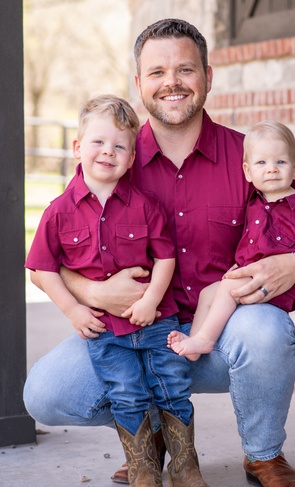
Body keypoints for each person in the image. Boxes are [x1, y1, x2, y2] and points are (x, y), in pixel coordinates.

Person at [24, 19, 295, 487]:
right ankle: (148, 433)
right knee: (47, 394)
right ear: (139, 84)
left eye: (185, 69)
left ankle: (263, 455)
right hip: (133, 334)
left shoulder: (249, 155)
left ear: (208, 77)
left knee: (269, 332)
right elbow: (50, 257)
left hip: (221, 331)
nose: (171, 82)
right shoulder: (115, 159)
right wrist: (91, 290)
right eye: (156, 72)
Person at [25, 94, 209, 487]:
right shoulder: (58, 211)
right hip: (106, 331)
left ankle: (185, 466)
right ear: (78, 147)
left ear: (130, 159)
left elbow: (165, 258)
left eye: (119, 146)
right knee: (126, 393)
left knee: (172, 386)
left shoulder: (146, 204)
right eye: (98, 142)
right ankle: (144, 469)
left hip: (158, 321)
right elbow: (40, 267)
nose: (108, 152)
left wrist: (150, 300)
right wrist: (74, 310)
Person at [167, 120, 295, 361]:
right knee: (208, 294)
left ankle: (205, 341)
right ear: (247, 171)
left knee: (225, 289)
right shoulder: (255, 200)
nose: (272, 169)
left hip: (273, 287)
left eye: (281, 162)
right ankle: (195, 341)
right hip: (246, 274)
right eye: (262, 163)